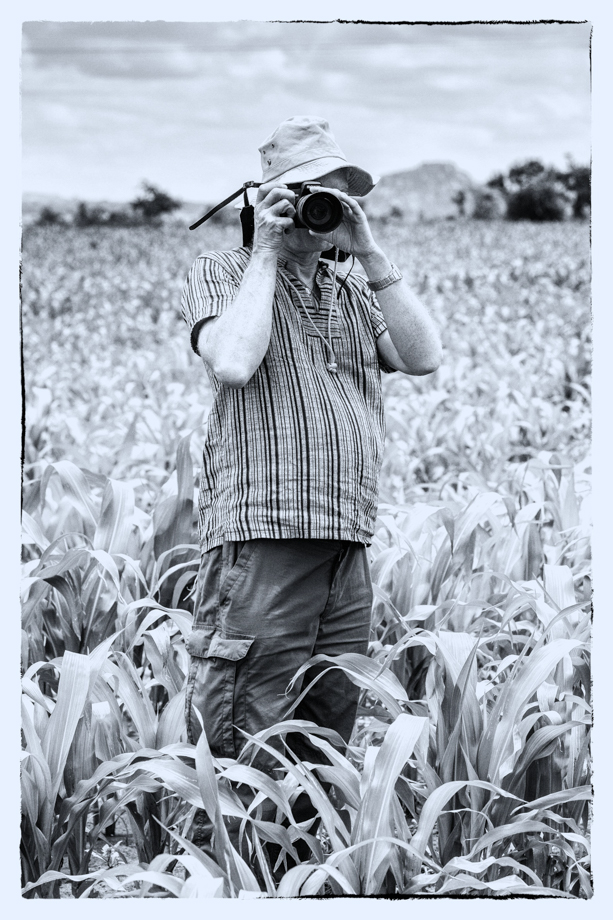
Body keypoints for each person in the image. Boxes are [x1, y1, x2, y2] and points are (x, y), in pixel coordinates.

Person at [180, 115, 441, 862]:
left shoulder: (352, 286)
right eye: (302, 193)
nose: (316, 208)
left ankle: (299, 883)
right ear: (263, 199)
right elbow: (233, 362)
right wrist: (266, 250)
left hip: (344, 542)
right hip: (263, 536)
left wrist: (370, 250)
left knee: (324, 739)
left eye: (332, 194)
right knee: (245, 738)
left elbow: (422, 356)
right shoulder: (224, 273)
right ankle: (228, 885)